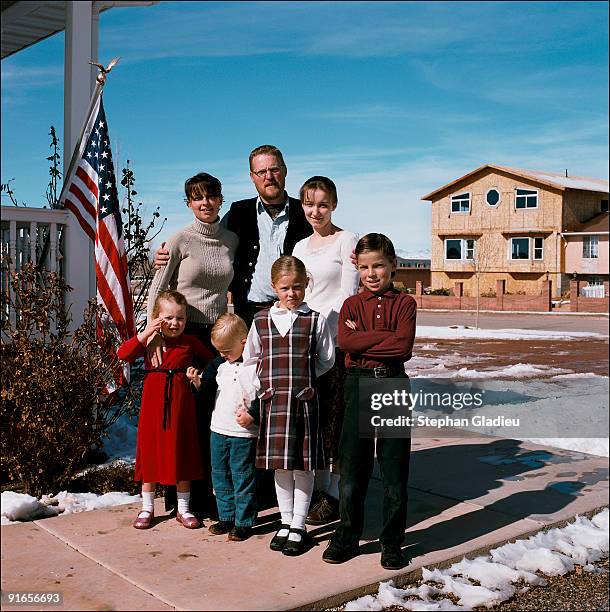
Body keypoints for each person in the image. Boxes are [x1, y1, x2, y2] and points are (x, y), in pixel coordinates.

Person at [322, 234, 417, 570]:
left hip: (391, 382)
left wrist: (366, 341)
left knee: (393, 469)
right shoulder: (350, 305)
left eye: (378, 265)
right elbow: (346, 342)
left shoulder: (405, 304)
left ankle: (392, 543)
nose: (372, 273)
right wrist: (381, 338)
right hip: (357, 384)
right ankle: (347, 536)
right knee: (353, 469)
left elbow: (402, 347)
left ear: (393, 265)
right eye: (364, 267)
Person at [147, 172, 238, 519]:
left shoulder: (231, 239)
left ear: (220, 199)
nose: (205, 203)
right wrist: (155, 332)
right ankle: (184, 499)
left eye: (211, 196)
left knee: (211, 414)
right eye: (197, 198)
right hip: (182, 334)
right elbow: (158, 288)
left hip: (215, 336)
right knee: (184, 417)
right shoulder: (180, 239)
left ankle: (205, 493)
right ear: (188, 203)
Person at [236, 256, 335, 556]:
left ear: (305, 285)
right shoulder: (261, 320)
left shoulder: (314, 319)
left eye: (297, 287)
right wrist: (259, 387)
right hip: (273, 403)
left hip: (303, 403)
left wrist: (303, 380)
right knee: (280, 467)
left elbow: (326, 359)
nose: (291, 294)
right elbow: (251, 359)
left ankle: (299, 526)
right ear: (274, 287)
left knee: (302, 468)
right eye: (284, 288)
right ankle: (285, 521)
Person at [155, 145, 313, 326]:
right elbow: (209, 239)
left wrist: (351, 252)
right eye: (261, 172)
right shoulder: (238, 213)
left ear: (285, 171)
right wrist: (167, 255)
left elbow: (327, 238)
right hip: (249, 313)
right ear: (252, 177)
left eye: (274, 169)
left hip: (297, 311)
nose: (268, 177)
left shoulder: (305, 212)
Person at [291, 176, 359, 525]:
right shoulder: (300, 247)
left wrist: (324, 329)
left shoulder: (346, 241)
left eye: (322, 204)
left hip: (335, 342)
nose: (315, 211)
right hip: (305, 344)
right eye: (308, 204)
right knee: (311, 425)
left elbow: (348, 296)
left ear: (333, 205)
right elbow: (296, 292)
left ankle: (333, 493)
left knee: (335, 424)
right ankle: (315, 490)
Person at [117, 290, 213, 530]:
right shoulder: (150, 341)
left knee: (182, 453)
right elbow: (123, 354)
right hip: (153, 409)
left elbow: (212, 361)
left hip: (182, 410)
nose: (174, 323)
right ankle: (147, 507)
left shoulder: (189, 342)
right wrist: (148, 332)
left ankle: (183, 508)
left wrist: (199, 377)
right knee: (150, 454)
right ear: (157, 318)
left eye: (180, 318)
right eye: (168, 318)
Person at [193, 313, 259, 542]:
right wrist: (199, 384)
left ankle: (244, 521)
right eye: (219, 351)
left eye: (226, 351)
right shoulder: (219, 366)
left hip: (243, 433)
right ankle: (226, 516)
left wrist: (253, 415)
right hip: (218, 429)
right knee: (219, 475)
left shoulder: (255, 367)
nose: (222, 355)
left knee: (242, 476)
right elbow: (209, 392)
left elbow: (263, 396)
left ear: (244, 342)